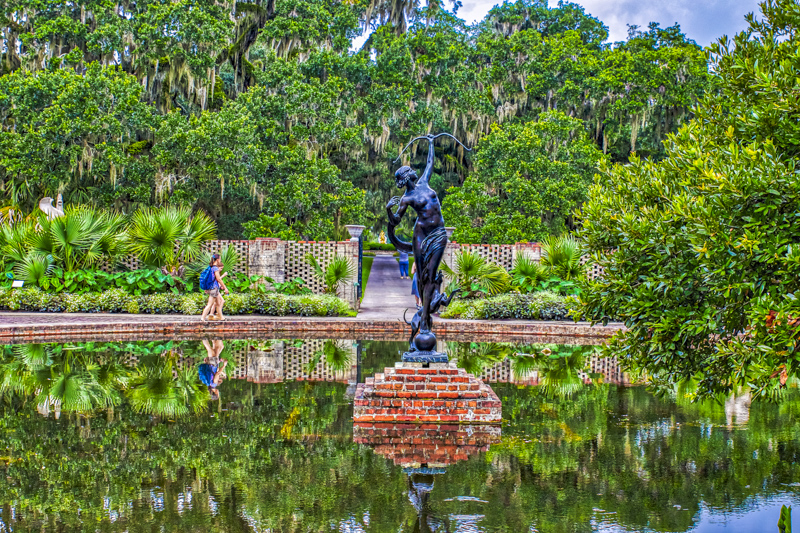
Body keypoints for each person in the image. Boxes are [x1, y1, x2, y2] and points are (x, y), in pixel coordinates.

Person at [201, 254, 230, 322]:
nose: (220, 260)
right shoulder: (215, 268)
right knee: (210, 304)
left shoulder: (210, 268)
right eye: (220, 259)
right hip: (214, 289)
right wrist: (225, 288)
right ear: (217, 260)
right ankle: (202, 318)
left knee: (218, 303)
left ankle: (221, 318)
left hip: (212, 288)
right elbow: (218, 279)